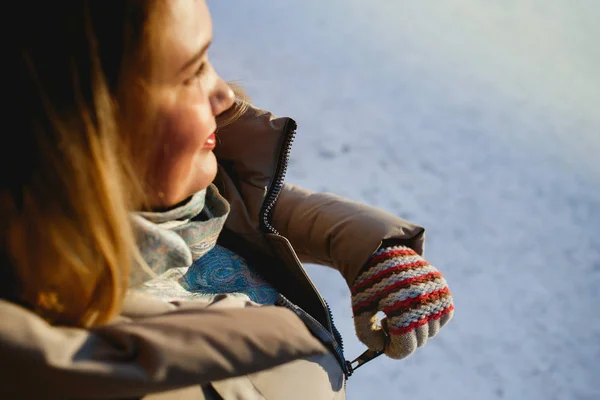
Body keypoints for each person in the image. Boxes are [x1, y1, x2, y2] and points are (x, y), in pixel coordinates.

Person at [0, 1, 454, 399]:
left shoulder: (148, 212)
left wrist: (366, 247)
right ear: (79, 137)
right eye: (191, 70)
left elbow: (237, 213)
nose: (225, 95)